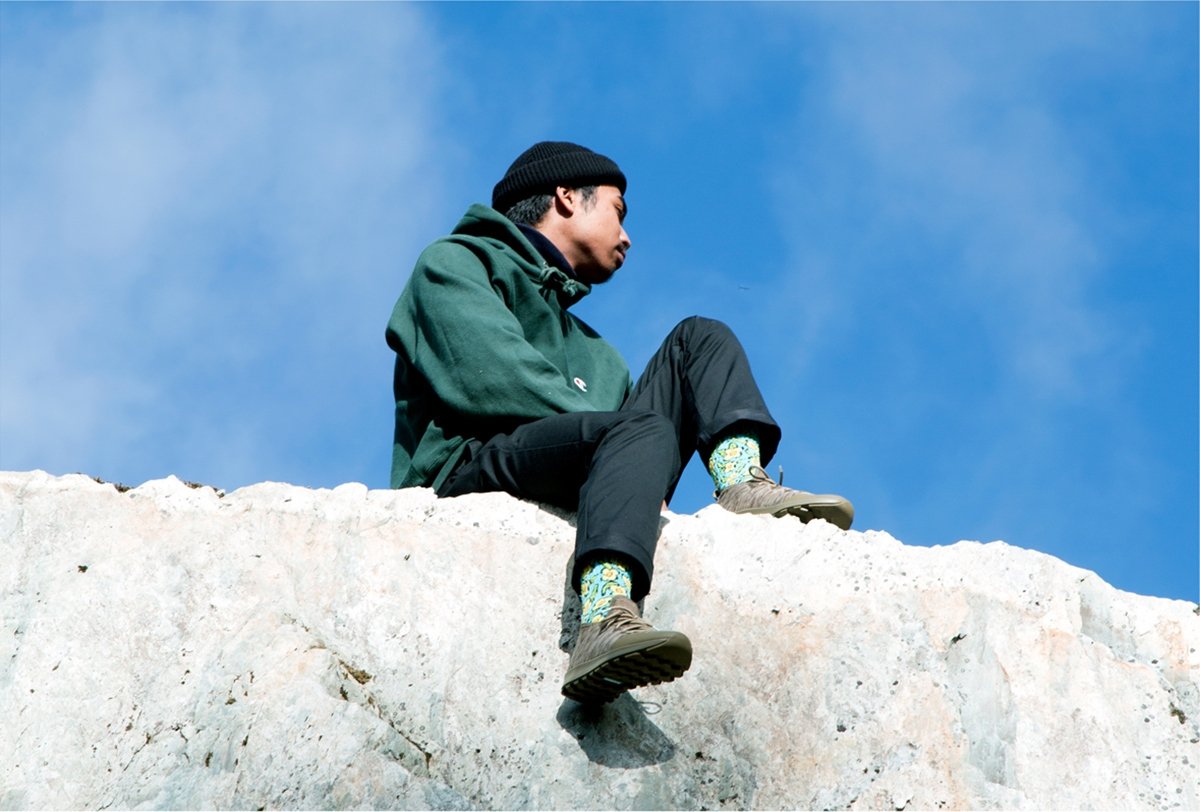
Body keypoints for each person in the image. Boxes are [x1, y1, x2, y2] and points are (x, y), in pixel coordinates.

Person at [385, 141, 853, 704]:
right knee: (639, 429)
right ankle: (603, 617)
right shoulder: (458, 263)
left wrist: (633, 465)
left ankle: (740, 480)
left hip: (577, 453)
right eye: (618, 211)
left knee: (698, 337)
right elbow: (488, 377)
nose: (627, 236)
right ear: (565, 197)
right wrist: (632, 446)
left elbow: (626, 433)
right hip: (470, 468)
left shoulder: (599, 356)